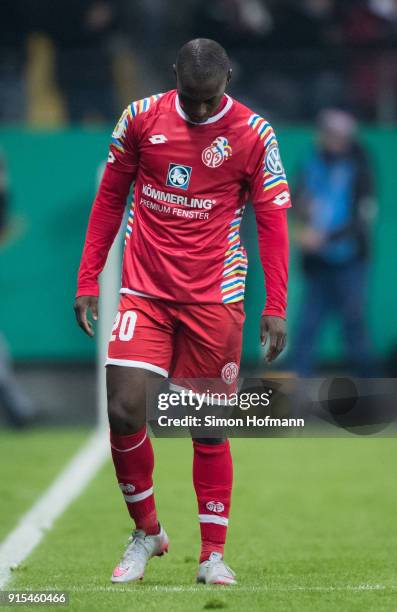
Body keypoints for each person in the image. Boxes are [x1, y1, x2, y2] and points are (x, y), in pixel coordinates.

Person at [74, 38, 290, 585]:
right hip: (144, 291)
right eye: (189, 98)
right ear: (174, 77)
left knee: (207, 425)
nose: (197, 110)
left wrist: (277, 303)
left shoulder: (254, 135)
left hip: (215, 297)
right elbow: (109, 199)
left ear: (228, 79)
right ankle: (147, 531)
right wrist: (89, 278)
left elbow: (271, 222)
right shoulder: (140, 119)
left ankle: (212, 554)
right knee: (124, 408)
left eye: (208, 99)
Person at [290, 109, 376, 376]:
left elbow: (362, 220)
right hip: (317, 264)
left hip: (349, 262)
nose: (328, 138)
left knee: (354, 328)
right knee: (306, 326)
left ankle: (372, 390)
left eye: (335, 134)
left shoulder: (360, 169)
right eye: (326, 132)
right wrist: (303, 222)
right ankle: (293, 395)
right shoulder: (311, 164)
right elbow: (295, 202)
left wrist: (325, 238)